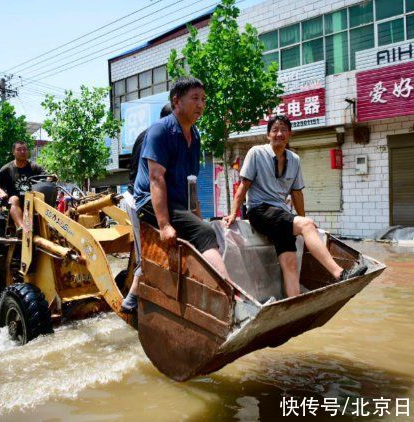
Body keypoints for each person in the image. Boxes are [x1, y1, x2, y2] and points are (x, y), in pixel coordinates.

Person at [223, 115, 367, 298]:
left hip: (281, 216)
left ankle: (294, 303)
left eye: (283, 130)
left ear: (290, 134)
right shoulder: (256, 153)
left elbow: (296, 193)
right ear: (268, 135)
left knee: (290, 264)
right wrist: (232, 213)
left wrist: (301, 220)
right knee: (305, 224)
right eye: (274, 130)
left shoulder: (295, 159)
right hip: (259, 211)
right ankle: (340, 273)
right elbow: (243, 186)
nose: (279, 134)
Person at [122, 77, 229, 313]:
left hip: (176, 202)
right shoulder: (160, 131)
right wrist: (164, 225)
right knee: (204, 233)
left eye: (203, 100)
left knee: (202, 231)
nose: (200, 104)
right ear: (176, 101)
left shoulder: (195, 136)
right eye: (194, 99)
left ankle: (195, 297)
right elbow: (156, 178)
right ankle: (228, 296)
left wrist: (197, 215)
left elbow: (192, 182)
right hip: (149, 202)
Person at [119, 103, 173, 313]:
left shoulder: (155, 134)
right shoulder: (157, 137)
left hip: (149, 198)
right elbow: (155, 177)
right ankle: (132, 298)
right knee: (151, 253)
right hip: (141, 199)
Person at [0, 141, 44, 229]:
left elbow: (46, 176)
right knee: (14, 199)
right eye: (19, 150)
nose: (23, 152)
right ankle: (22, 228)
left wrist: (51, 178)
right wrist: (1, 192)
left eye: (25, 149)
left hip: (33, 200)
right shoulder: (7, 168)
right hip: (15, 201)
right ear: (13, 152)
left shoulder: (34, 167)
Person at [127, 103, 173, 194]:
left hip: (134, 193)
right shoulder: (160, 136)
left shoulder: (147, 133)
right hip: (144, 197)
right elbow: (156, 177)